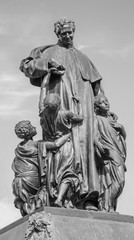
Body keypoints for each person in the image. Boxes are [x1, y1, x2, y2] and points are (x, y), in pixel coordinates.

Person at [20, 17, 104, 210]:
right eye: (64, 33)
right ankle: (60, 195)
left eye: (70, 32)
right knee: (65, 150)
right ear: (58, 34)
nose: (68, 35)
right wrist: (46, 65)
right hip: (61, 107)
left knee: (87, 149)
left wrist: (102, 104)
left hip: (85, 111)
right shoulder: (47, 52)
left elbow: (97, 86)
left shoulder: (83, 57)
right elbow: (27, 66)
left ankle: (88, 197)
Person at [40, 93, 83, 208]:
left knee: (55, 174)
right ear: (58, 104)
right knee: (67, 172)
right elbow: (80, 118)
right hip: (65, 145)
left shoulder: (43, 114)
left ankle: (56, 196)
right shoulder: (65, 113)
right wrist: (78, 104)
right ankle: (59, 198)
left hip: (52, 148)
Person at [94, 95, 127, 212]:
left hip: (118, 153)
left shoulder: (112, 121)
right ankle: (105, 206)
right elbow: (94, 137)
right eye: (102, 103)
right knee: (117, 181)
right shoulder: (97, 119)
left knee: (120, 182)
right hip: (109, 153)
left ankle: (111, 207)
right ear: (97, 107)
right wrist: (100, 149)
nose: (106, 103)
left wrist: (122, 128)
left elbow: (122, 138)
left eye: (106, 101)